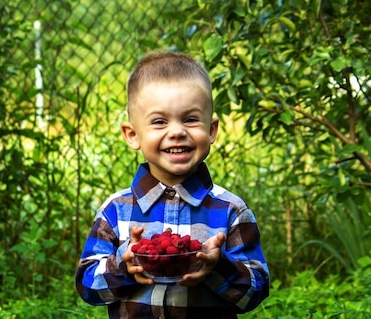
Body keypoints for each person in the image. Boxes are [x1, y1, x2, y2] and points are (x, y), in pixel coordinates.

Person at [75, 51, 270, 319]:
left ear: (211, 130)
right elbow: (87, 286)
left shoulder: (231, 210)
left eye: (190, 119)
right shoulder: (116, 210)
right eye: (159, 122)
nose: (177, 131)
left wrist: (218, 267)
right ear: (133, 135)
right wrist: (123, 265)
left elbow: (255, 292)